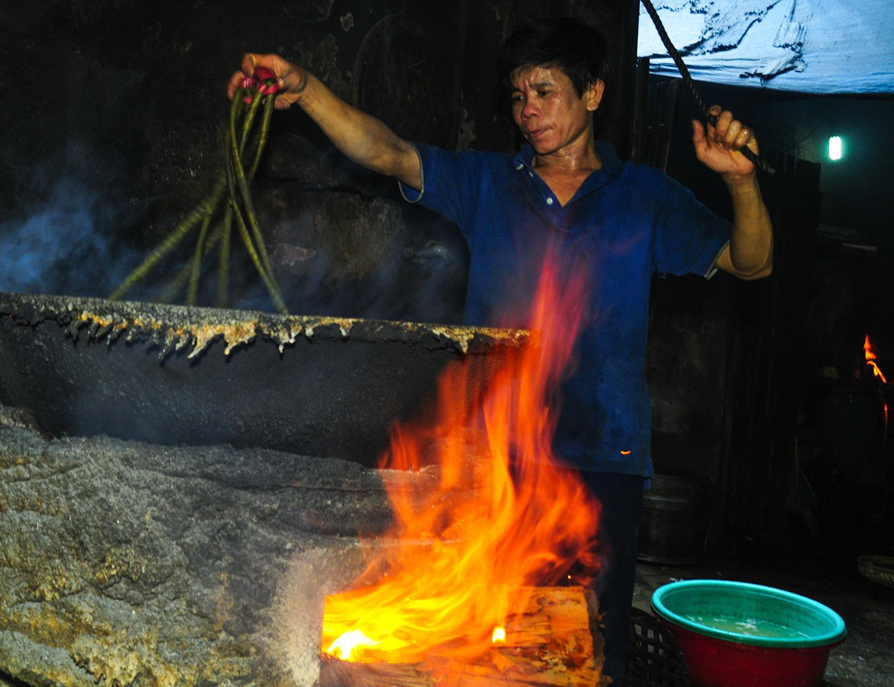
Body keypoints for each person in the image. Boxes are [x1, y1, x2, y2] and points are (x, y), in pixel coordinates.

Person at [229, 16, 772, 686]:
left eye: (545, 91)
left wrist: (742, 183)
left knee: (587, 645)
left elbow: (751, 262)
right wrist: (307, 88)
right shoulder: (489, 183)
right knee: (485, 644)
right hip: (494, 456)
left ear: (594, 94)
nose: (528, 111)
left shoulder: (645, 198)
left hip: (606, 457)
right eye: (518, 97)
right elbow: (387, 151)